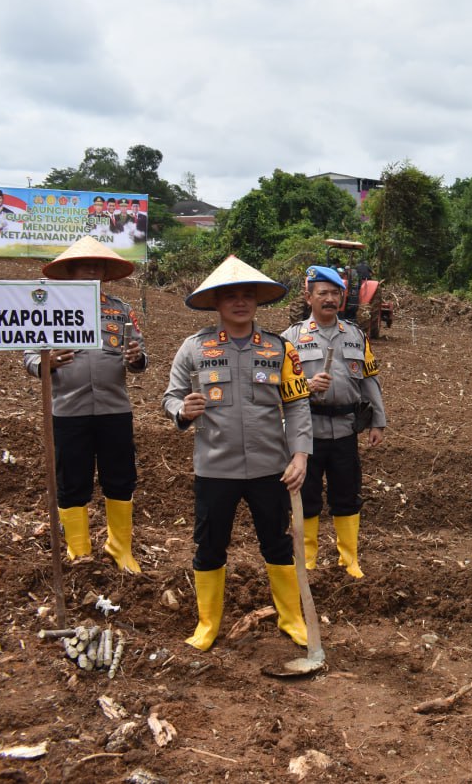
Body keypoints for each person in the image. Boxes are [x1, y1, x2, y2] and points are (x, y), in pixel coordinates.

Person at [162, 256, 312, 651]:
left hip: (270, 467)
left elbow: (297, 405)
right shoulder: (194, 348)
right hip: (215, 467)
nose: (240, 302)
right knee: (210, 545)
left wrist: (300, 455)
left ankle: (292, 619)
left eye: (248, 295)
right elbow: (171, 396)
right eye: (231, 296)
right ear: (216, 302)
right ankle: (208, 624)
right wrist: (181, 411)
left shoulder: (281, 348)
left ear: (257, 302)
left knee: (277, 544)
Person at [24, 237, 146, 573]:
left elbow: (138, 355)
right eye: (84, 264)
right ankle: (79, 552)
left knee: (120, 479)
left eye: (98, 265)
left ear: (105, 274)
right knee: (72, 482)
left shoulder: (120, 310)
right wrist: (47, 363)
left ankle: (120, 549)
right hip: (68, 411)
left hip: (115, 410)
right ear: (69, 270)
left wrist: (136, 359)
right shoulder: (48, 309)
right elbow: (29, 356)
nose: (92, 269)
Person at [282, 265, 387, 578]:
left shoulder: (355, 335)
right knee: (307, 495)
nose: (329, 299)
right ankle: (308, 558)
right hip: (306, 432)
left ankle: (349, 558)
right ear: (309, 297)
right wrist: (308, 385)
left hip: (344, 429)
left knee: (347, 494)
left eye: (334, 294)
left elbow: (370, 380)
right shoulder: (291, 339)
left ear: (342, 298)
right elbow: (278, 388)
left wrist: (378, 421)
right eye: (322, 293)